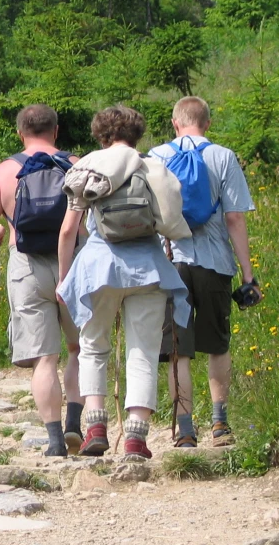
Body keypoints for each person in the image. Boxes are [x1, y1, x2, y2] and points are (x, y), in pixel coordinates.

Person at [56, 105, 191, 459]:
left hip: (98, 267)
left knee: (93, 346)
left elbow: (69, 229)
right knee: (142, 352)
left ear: (100, 134)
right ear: (137, 134)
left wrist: (63, 278)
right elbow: (171, 222)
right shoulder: (152, 166)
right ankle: (135, 438)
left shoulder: (88, 165)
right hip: (147, 266)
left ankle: (96, 427)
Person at [0, 104, 84, 457]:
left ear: (20, 133)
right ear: (56, 130)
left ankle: (53, 440)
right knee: (79, 349)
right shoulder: (76, 164)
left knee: (44, 358)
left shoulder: (6, 171)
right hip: (75, 265)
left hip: (28, 266)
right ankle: (76, 425)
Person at [148, 97, 259, 448]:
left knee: (178, 349)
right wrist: (248, 274)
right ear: (207, 124)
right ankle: (220, 424)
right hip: (215, 263)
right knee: (217, 345)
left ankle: (184, 428)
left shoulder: (156, 156)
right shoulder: (223, 156)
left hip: (171, 262)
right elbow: (234, 217)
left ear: (174, 123)